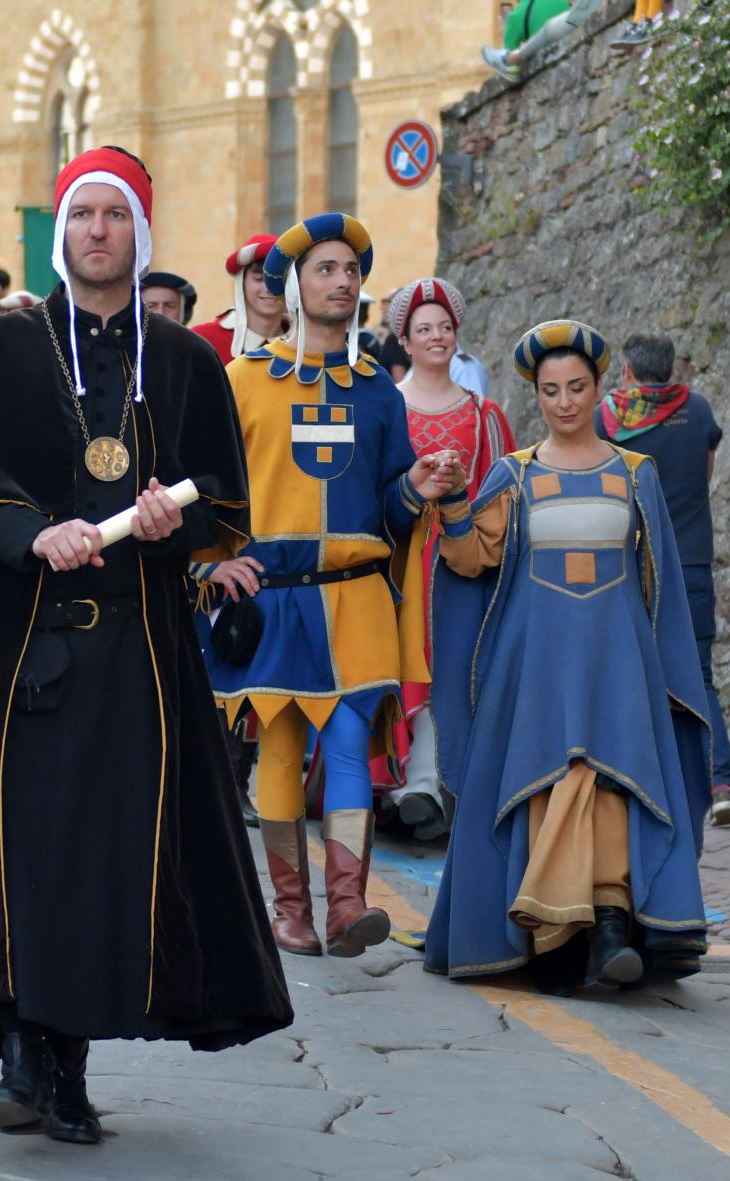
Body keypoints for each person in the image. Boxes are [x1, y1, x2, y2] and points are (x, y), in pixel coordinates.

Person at [0, 146, 292, 1147]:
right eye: (82, 216)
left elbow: (222, 502)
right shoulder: (1, 349)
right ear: (62, 232)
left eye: (114, 215)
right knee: (28, 844)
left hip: (140, 659)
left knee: (114, 857)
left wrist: (173, 520)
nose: (97, 231)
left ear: (138, 233)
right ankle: (28, 1048)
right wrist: (30, 529)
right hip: (24, 647)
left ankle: (61, 1061)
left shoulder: (188, 363)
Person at [425, 320, 711, 995]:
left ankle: (609, 921)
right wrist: (455, 499)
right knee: (546, 783)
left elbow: (658, 580)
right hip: (534, 667)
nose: (564, 401)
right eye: (550, 390)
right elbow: (471, 558)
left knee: (614, 781)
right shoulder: (513, 474)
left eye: (576, 387)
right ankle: (554, 932)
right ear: (537, 394)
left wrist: (665, 674)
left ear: (598, 389)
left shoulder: (635, 476)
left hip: (619, 664)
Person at [201, 213, 457, 959]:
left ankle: (345, 906)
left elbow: (391, 507)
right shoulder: (242, 383)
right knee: (279, 750)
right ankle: (291, 911)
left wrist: (414, 484)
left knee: (348, 741)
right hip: (272, 600)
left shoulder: (379, 391)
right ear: (295, 284)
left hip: (357, 596)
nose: (341, 280)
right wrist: (208, 565)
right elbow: (206, 491)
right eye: (325, 269)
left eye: (350, 269)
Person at [371, 279, 516, 839]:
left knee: (458, 664)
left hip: (462, 560)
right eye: (423, 329)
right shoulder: (385, 406)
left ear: (457, 336)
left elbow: (502, 493)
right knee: (407, 664)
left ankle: (450, 785)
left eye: (444, 328)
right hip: (402, 558)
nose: (436, 337)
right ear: (404, 340)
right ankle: (415, 781)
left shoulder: (485, 415)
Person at [596, 332, 730, 825]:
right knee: (698, 675)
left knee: (629, 669)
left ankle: (636, 778)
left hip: (632, 562)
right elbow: (705, 474)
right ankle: (720, 786)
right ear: (671, 369)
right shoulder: (696, 410)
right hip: (691, 559)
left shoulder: (607, 418)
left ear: (629, 371)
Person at [192, 233, 286, 366]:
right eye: (259, 279)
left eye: (278, 279)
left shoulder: (306, 343)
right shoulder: (202, 340)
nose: (268, 288)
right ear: (241, 283)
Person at [483, 0, 600, 80]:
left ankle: (508, 60)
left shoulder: (515, 17)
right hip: (581, 39)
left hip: (555, 63)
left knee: (550, 28)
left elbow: (514, 69)